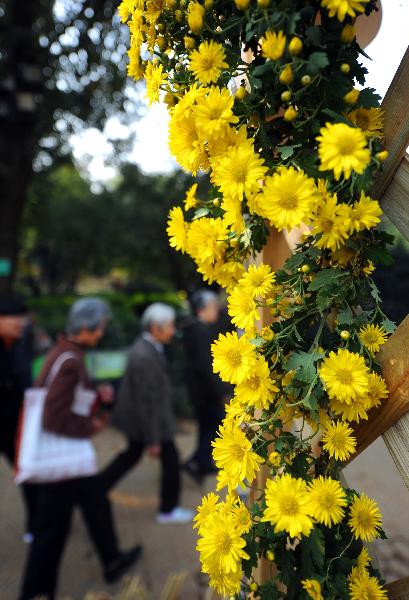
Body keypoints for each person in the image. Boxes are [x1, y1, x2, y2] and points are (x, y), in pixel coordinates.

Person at [19, 298, 142, 600]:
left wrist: (95, 396)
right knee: (51, 529)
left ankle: (111, 560)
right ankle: (35, 592)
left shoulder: (63, 352)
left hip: (70, 460)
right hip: (64, 459)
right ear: (86, 327)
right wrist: (90, 428)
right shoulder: (71, 361)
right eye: (100, 327)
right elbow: (53, 415)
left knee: (95, 504)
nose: (101, 333)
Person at [101, 302, 193, 524]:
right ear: (155, 327)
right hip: (148, 423)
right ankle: (167, 510)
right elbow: (147, 402)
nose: (173, 330)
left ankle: (94, 489)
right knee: (169, 461)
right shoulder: (144, 355)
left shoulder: (147, 348)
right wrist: (153, 440)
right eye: (169, 326)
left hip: (142, 421)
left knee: (130, 457)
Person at [181, 290, 231, 484]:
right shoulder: (200, 331)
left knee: (206, 428)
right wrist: (221, 391)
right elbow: (205, 366)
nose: (217, 310)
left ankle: (200, 463)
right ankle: (197, 462)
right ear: (202, 309)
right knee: (216, 425)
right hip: (205, 392)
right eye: (213, 307)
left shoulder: (193, 328)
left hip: (199, 391)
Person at [0, 294, 37, 539]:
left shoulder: (21, 342)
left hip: (16, 423)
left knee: (29, 474)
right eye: (15, 320)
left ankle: (36, 525)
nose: (20, 325)